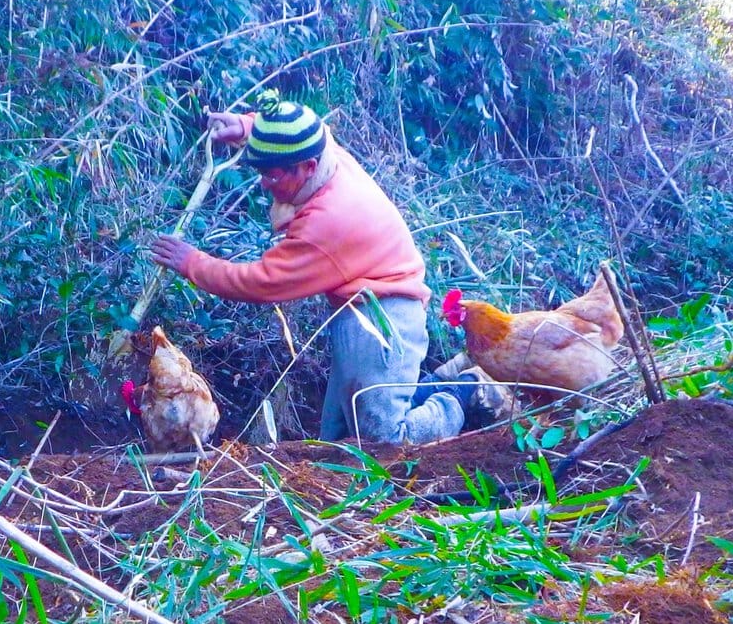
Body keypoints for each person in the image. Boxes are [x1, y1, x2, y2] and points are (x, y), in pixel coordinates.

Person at [150, 90, 504, 443]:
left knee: (385, 437)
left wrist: (193, 263)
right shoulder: (323, 153)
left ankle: (460, 394)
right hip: (360, 306)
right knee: (336, 437)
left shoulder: (327, 222)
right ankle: (443, 382)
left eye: (273, 176)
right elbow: (314, 128)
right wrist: (246, 126)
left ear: (307, 168)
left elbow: (260, 282)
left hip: (386, 314)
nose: (264, 184)